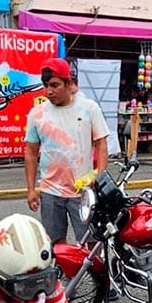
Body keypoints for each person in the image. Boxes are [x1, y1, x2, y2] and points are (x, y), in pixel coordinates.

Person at [24, 58, 109, 245]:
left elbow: (101, 144)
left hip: (83, 191)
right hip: (50, 191)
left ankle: (97, 275)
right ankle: (65, 275)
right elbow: (30, 152)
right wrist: (31, 189)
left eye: (54, 85)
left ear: (68, 83)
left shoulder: (89, 108)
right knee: (56, 243)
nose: (49, 91)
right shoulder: (37, 114)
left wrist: (100, 177)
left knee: (91, 242)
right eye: (46, 85)